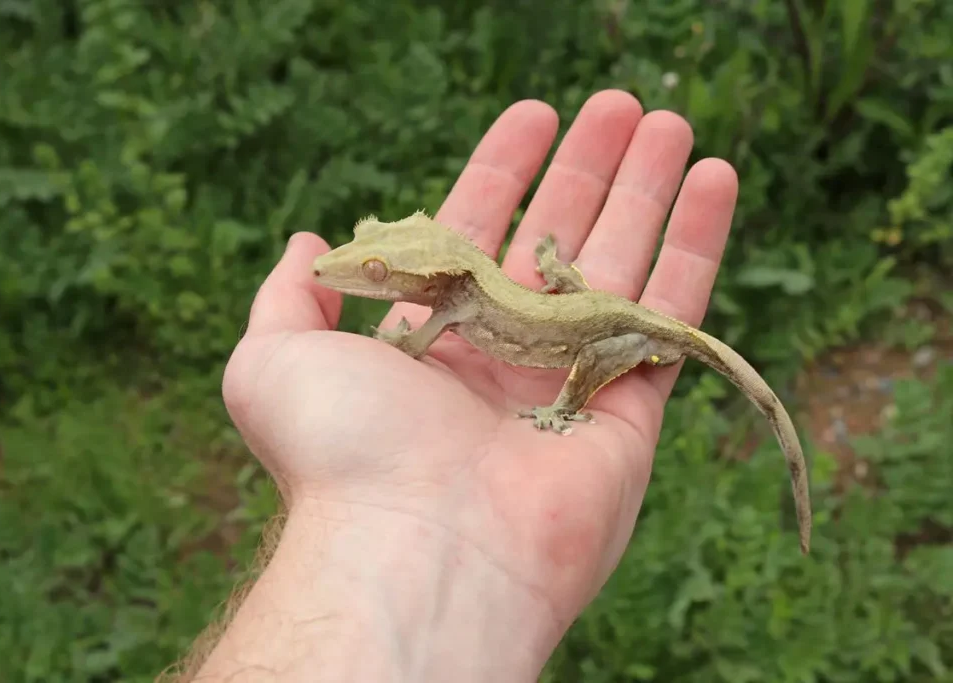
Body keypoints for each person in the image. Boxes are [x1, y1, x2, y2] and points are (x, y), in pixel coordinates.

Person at [170, 89, 739, 682]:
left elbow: (414, 343)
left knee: (595, 355)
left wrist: (399, 345)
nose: (341, 267)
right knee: (603, 325)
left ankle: (563, 410)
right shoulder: (454, 295)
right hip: (595, 309)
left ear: (432, 278)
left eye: (375, 273)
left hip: (610, 330)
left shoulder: (450, 304)